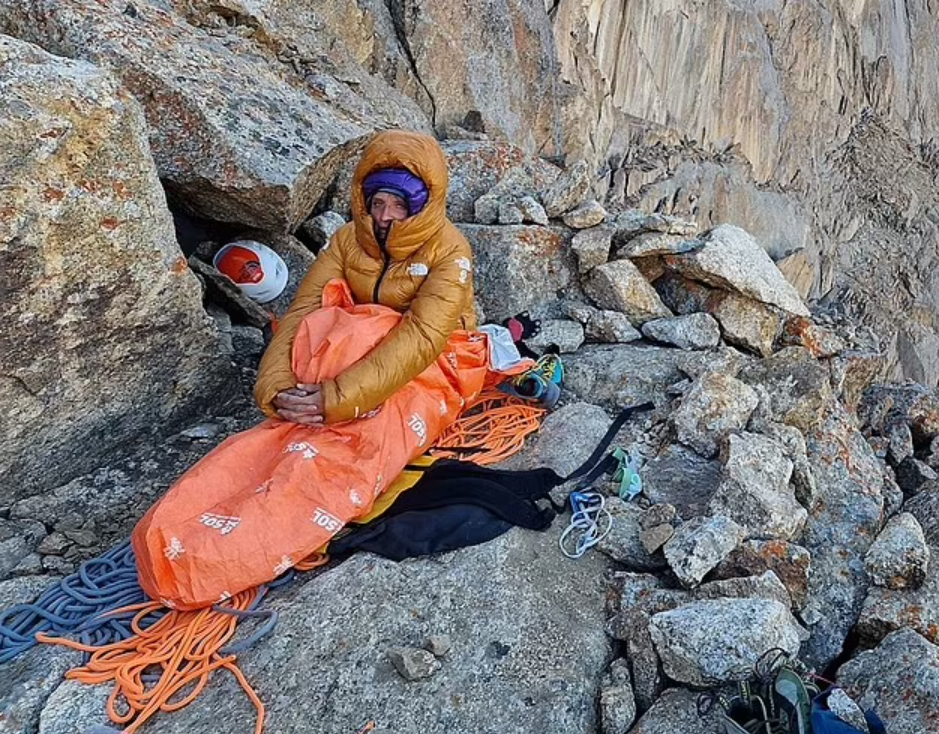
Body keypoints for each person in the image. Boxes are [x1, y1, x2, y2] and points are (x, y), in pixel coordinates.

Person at [254, 130, 477, 426]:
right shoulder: (348, 239)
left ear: (422, 206)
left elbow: (424, 335)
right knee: (318, 332)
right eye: (378, 203)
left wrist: (338, 398)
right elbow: (304, 308)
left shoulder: (450, 251)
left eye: (400, 205)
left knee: (375, 429)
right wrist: (276, 384)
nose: (386, 216)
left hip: (439, 354)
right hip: (362, 347)